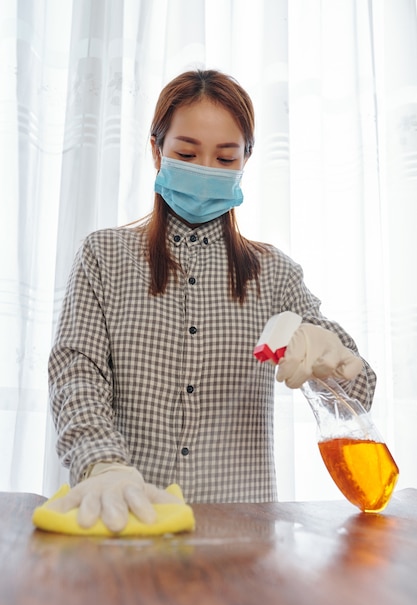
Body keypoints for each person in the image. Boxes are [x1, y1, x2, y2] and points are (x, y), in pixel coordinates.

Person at [47, 69, 376, 532]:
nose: (205, 170)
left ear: (246, 160)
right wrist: (103, 464)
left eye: (225, 158)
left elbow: (362, 394)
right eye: (186, 153)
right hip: (127, 524)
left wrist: (334, 362)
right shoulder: (103, 256)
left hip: (241, 539)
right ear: (156, 150)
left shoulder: (276, 274)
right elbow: (75, 372)